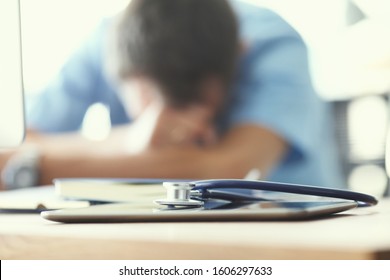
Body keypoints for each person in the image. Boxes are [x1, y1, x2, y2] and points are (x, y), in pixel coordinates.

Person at [0, 0, 344, 190]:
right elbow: (27, 139)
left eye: (197, 106)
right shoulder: (105, 40)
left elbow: (231, 168)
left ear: (240, 53)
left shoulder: (273, 42)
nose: (181, 131)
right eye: (152, 103)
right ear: (116, 71)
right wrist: (128, 140)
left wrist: (30, 167)